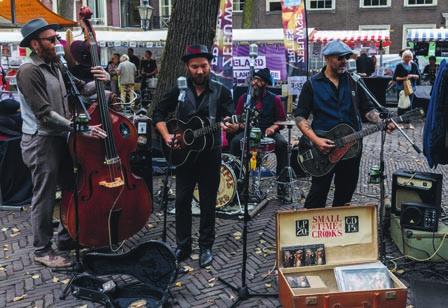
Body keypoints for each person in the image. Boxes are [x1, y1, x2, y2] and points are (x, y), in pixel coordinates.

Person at [16, 18, 109, 268]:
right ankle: (42, 249)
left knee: (72, 187)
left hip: (61, 137)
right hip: (41, 141)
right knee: (45, 195)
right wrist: (81, 128)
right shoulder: (29, 71)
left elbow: (82, 89)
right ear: (35, 44)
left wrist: (104, 80)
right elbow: (44, 114)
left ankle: (68, 237)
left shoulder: (55, 63)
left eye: (55, 38)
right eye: (50, 39)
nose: (57, 42)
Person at [153, 44, 238, 268]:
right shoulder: (179, 90)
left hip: (210, 155)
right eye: (194, 67)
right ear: (187, 67)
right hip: (183, 155)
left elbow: (230, 117)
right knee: (181, 201)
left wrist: (230, 125)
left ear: (210, 65)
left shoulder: (221, 91)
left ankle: (206, 246)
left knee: (208, 203)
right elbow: (159, 113)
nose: (199, 71)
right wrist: (166, 136)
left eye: (203, 66)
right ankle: (183, 245)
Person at [294, 40, 395, 209]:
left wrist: (381, 120)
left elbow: (367, 110)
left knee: (345, 194)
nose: (344, 61)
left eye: (347, 57)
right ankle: (313, 231)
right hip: (323, 149)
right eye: (339, 58)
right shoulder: (312, 84)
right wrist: (316, 140)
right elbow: (300, 117)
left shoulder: (354, 81)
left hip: (351, 148)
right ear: (327, 58)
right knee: (317, 193)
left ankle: (338, 231)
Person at [230, 67, 288, 196]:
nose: (255, 83)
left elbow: (282, 121)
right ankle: (237, 186)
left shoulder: (275, 99)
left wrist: (273, 128)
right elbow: (237, 118)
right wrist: (239, 125)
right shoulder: (244, 98)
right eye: (254, 79)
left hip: (268, 132)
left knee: (283, 144)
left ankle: (282, 185)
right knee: (235, 143)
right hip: (248, 131)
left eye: (259, 80)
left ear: (266, 84)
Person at [393, 49, 420, 120]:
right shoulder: (399, 65)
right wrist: (404, 78)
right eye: (406, 57)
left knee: (409, 104)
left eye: (409, 57)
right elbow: (395, 78)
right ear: (403, 57)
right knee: (401, 104)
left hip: (411, 88)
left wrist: (412, 76)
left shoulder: (414, 65)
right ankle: (400, 119)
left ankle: (408, 119)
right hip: (401, 88)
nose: (407, 58)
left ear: (411, 57)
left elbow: (418, 76)